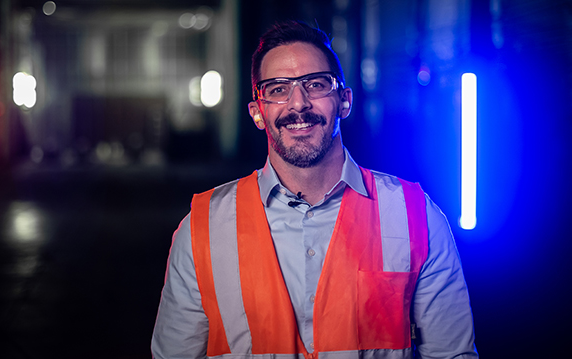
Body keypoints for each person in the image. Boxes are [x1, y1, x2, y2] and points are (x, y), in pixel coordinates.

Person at [152, 20, 478, 359]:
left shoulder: (414, 216)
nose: (298, 104)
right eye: (278, 89)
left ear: (344, 101)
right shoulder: (203, 228)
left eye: (316, 84)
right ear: (257, 112)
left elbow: (451, 354)